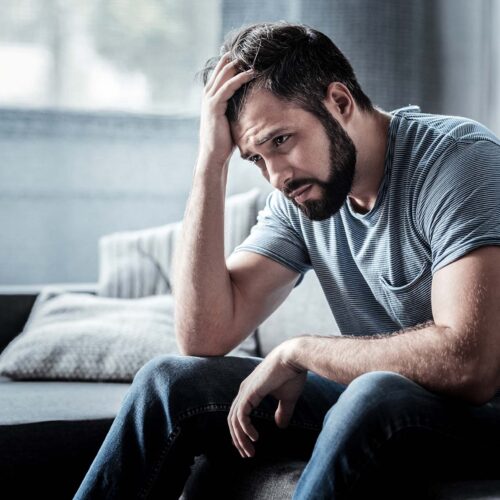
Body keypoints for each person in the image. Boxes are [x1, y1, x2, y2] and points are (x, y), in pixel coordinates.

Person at [75, 22, 500, 500]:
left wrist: (299, 350)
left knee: (372, 391)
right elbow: (204, 333)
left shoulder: (457, 160)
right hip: (375, 405)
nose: (275, 176)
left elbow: (472, 364)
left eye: (280, 141)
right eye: (254, 159)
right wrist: (210, 162)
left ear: (339, 102)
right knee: (169, 382)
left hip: (483, 413)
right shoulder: (303, 194)